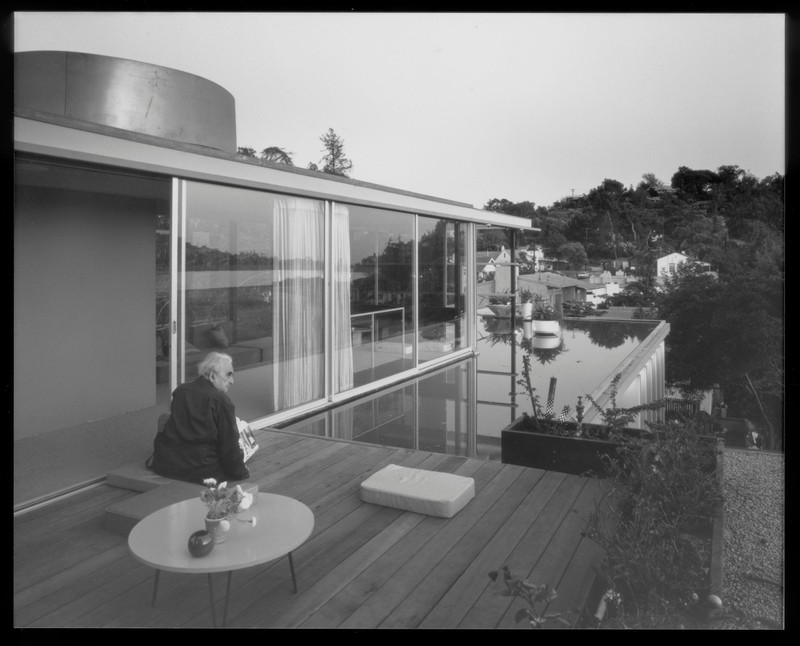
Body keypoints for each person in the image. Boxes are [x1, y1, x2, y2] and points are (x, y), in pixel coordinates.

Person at [150, 351, 250, 484]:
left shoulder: (181, 390)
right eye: (228, 375)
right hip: (202, 471)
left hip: (168, 466)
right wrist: (241, 472)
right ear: (212, 376)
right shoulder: (221, 401)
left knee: (165, 418)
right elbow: (229, 445)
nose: (232, 381)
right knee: (238, 445)